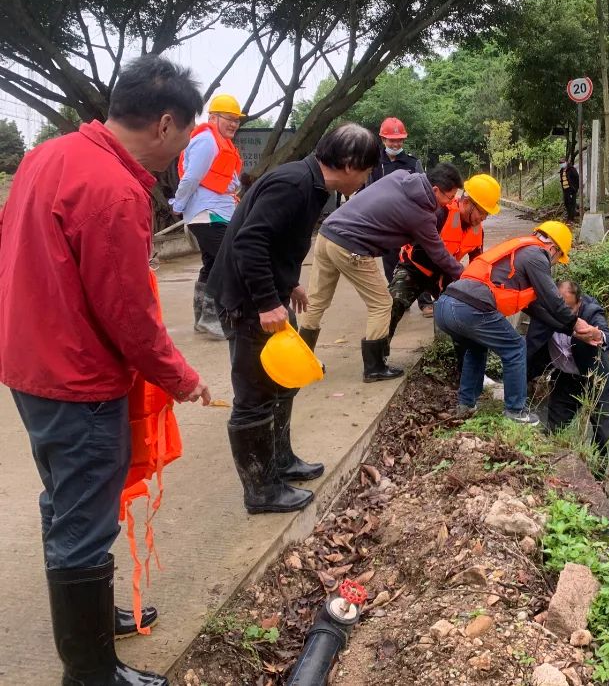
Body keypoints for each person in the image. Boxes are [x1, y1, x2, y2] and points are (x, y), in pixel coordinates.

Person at [0, 55, 213, 686]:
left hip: (29, 362)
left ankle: (93, 619)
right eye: (183, 138)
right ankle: (92, 673)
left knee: (68, 504)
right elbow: (127, 311)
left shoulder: (49, 155)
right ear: (166, 124)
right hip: (78, 377)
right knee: (84, 515)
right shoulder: (114, 188)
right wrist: (181, 376)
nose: (178, 154)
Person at [208, 123, 378, 515]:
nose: (367, 178)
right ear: (350, 163)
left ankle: (280, 461)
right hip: (247, 302)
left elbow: (276, 241)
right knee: (254, 396)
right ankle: (261, 490)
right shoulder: (293, 184)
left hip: (267, 295)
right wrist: (268, 302)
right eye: (367, 170)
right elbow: (250, 241)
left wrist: (289, 284)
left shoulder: (313, 185)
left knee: (285, 379)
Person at [298, 163, 466, 382]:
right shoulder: (421, 215)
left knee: (317, 300)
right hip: (351, 247)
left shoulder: (400, 176)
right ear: (435, 190)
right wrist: (466, 275)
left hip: (327, 233)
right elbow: (439, 255)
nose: (450, 202)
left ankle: (301, 360)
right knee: (382, 304)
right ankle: (375, 367)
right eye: (449, 196)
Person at [433, 221, 603, 426]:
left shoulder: (521, 253)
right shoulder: (537, 255)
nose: (554, 264)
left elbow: (536, 309)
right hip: (468, 309)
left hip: (445, 307)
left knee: (476, 348)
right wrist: (576, 323)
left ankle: (466, 404)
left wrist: (569, 329)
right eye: (558, 259)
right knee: (515, 347)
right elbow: (552, 300)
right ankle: (515, 411)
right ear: (553, 248)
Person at [386, 173, 501, 349]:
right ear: (467, 202)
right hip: (415, 267)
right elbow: (422, 248)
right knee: (393, 305)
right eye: (483, 212)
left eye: (487, 214)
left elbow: (477, 263)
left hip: (446, 272)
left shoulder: (478, 230)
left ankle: (464, 362)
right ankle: (377, 361)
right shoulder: (441, 213)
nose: (483, 218)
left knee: (463, 311)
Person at [170, 93, 245, 339]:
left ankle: (204, 317)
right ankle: (212, 317)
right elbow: (191, 177)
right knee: (230, 260)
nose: (233, 124)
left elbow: (225, 180)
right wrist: (178, 204)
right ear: (213, 118)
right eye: (229, 119)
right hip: (207, 215)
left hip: (217, 213)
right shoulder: (206, 141)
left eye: (237, 120)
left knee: (213, 263)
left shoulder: (220, 143)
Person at [527, 280, 609, 475]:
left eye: (568, 308)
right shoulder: (545, 313)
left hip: (595, 380)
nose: (563, 313)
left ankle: (599, 476)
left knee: (604, 435)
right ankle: (550, 474)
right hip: (564, 379)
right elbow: (530, 347)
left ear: (579, 304)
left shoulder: (591, 312)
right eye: (559, 308)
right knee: (554, 430)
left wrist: (598, 334)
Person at [368, 116, 422, 284]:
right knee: (390, 262)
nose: (396, 144)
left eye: (399, 140)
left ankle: (424, 299)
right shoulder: (374, 163)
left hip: (409, 222)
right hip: (386, 223)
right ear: (383, 139)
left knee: (417, 258)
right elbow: (369, 193)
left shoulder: (413, 163)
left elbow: (422, 193)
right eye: (392, 140)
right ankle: (396, 299)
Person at [559, 156, 580, 221]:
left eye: (562, 162)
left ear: (566, 162)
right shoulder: (562, 170)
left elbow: (577, 178)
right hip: (565, 190)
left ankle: (571, 218)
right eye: (560, 163)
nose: (561, 164)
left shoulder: (571, 169)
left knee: (572, 204)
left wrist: (575, 188)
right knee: (566, 203)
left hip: (571, 190)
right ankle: (569, 217)